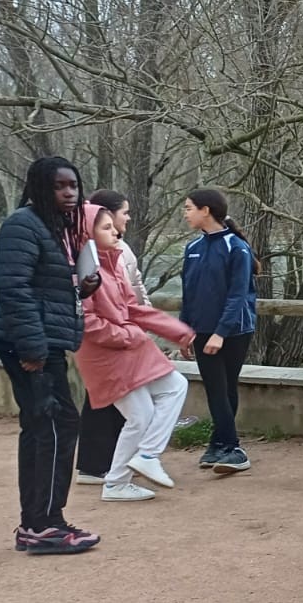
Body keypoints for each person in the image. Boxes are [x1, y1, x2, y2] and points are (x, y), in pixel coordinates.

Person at [0, 156, 102, 554]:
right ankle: (42, 525)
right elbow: (13, 289)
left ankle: (40, 522)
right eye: (59, 186)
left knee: (52, 426)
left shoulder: (57, 229)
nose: (70, 192)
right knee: (50, 427)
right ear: (40, 187)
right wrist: (32, 348)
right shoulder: (22, 225)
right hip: (29, 343)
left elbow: (43, 287)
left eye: (73, 185)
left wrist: (82, 288)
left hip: (44, 339)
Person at [75, 203, 196, 503]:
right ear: (86, 233)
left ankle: (124, 475)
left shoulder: (113, 263)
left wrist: (177, 331)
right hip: (105, 356)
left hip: (125, 350)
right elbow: (85, 322)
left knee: (165, 395)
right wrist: (128, 334)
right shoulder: (81, 271)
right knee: (144, 412)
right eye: (105, 227)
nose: (115, 230)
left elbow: (133, 308)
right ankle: (133, 469)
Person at [75, 189, 151, 486]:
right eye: (124, 212)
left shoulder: (117, 247)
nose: (128, 218)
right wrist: (136, 325)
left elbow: (135, 288)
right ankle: (99, 467)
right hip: (113, 336)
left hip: (123, 332)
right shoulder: (98, 252)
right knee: (107, 402)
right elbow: (128, 292)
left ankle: (103, 464)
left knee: (109, 401)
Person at [181, 188, 258, 475]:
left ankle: (232, 446)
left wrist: (220, 332)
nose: (185, 213)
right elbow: (189, 293)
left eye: (189, 208)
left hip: (234, 330)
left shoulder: (236, 247)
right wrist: (184, 329)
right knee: (218, 388)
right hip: (201, 330)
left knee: (222, 386)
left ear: (206, 210)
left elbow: (238, 295)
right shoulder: (192, 248)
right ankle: (220, 444)